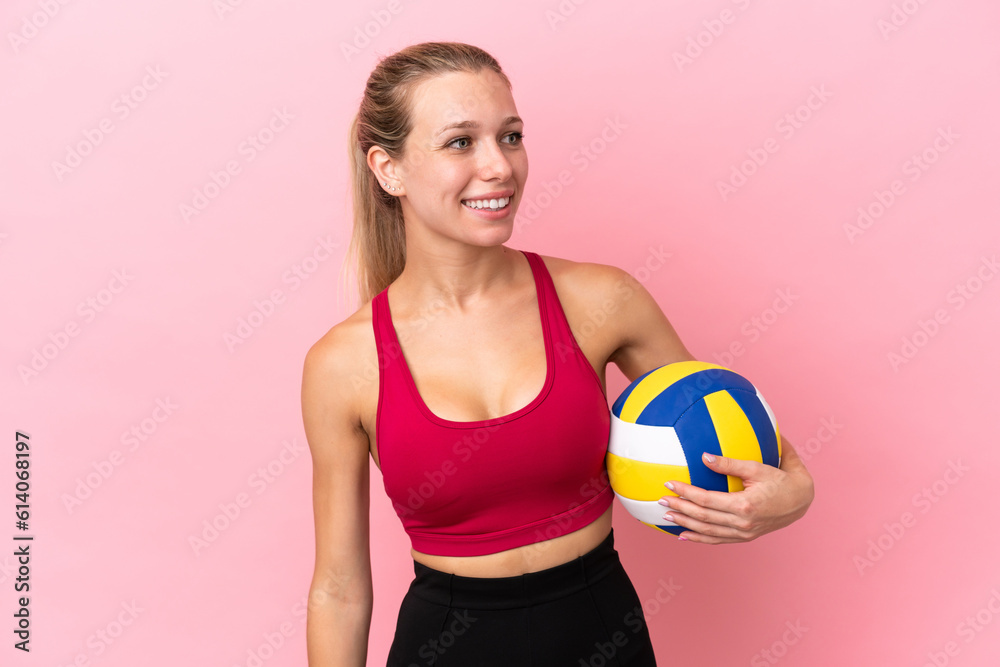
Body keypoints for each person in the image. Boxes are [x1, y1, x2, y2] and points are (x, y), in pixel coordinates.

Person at [301, 41, 815, 667]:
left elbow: (727, 428)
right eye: (460, 142)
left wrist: (795, 492)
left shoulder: (602, 300)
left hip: (602, 635)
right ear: (389, 169)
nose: (498, 167)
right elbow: (339, 587)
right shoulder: (342, 364)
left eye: (510, 137)